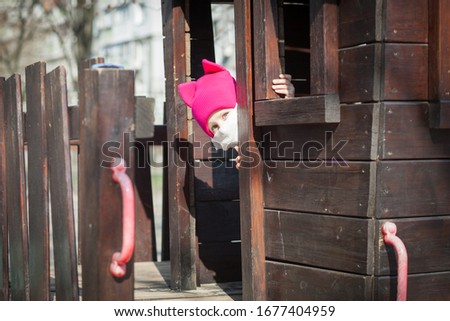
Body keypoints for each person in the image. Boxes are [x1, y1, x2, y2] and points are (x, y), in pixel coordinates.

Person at [178, 59, 294, 168]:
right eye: (214, 127)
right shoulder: (241, 156)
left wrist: (288, 104)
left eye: (225, 115)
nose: (223, 128)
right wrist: (248, 170)